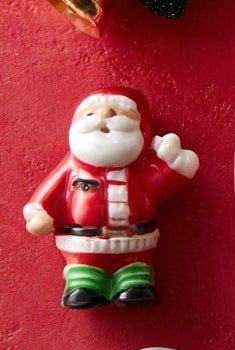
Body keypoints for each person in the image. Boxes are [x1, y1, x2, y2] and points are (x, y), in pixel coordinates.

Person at [23, 87, 198, 308]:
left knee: (135, 270)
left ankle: (134, 283)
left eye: (117, 113)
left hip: (135, 241)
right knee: (85, 271)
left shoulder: (139, 172)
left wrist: (174, 164)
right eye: (90, 114)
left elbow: (160, 185)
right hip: (83, 242)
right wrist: (40, 214)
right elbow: (48, 194)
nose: (104, 115)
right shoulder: (70, 170)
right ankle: (83, 285)